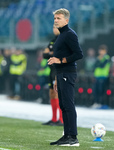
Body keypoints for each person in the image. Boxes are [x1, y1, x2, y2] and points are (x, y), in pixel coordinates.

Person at [48, 8, 83, 146]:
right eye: (55, 18)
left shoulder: (69, 34)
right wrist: (57, 78)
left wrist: (60, 60)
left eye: (59, 18)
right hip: (61, 74)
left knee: (68, 105)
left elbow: (79, 54)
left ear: (66, 20)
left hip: (68, 73)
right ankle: (66, 135)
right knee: (63, 105)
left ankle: (73, 137)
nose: (56, 20)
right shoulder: (61, 35)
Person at [42, 25, 63, 126]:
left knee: (57, 93)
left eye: (56, 27)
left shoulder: (62, 39)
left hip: (58, 70)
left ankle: (61, 119)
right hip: (51, 70)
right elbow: (44, 55)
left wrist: (51, 53)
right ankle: (54, 118)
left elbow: (59, 54)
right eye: (53, 27)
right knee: (51, 93)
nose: (54, 29)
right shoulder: (51, 41)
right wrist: (52, 53)